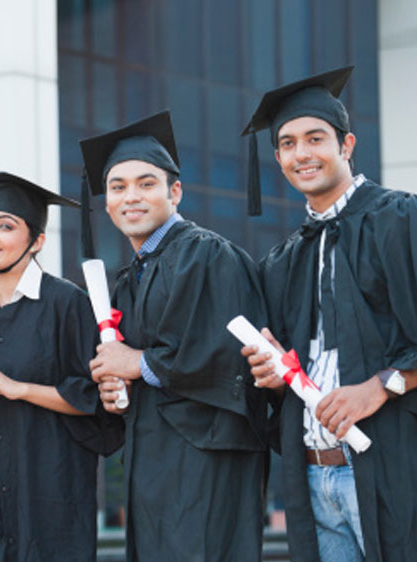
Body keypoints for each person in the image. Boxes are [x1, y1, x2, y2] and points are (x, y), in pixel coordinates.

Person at [240, 66, 417, 562]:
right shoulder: (285, 259)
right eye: (289, 144)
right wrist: (274, 376)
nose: (302, 153)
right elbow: (295, 372)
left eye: (315, 138)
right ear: (278, 159)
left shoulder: (409, 220)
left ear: (347, 144)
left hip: (393, 469)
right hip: (312, 476)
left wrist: (381, 385)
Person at [80, 111, 270, 561]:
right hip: (154, 461)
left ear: (175, 192)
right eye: (118, 187)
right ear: (107, 203)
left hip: (207, 458)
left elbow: (228, 357)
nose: (131, 197)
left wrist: (138, 363)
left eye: (146, 184)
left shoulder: (207, 255)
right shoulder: (132, 275)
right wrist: (118, 386)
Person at [0, 171, 122, 561]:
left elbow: (95, 401)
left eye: (6, 226)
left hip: (49, 495)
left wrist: (16, 387)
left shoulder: (69, 304)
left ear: (37, 241)